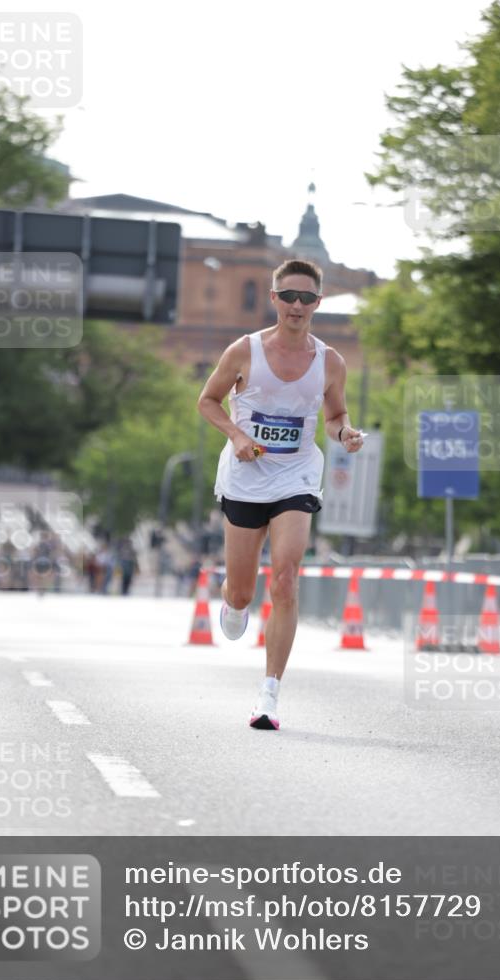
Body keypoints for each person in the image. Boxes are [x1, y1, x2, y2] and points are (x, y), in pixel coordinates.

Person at [197, 259, 364, 730]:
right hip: (246, 478)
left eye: (306, 298)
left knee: (286, 579)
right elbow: (207, 400)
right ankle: (231, 598)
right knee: (246, 591)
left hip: (296, 476)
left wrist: (345, 433)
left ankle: (268, 695)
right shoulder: (244, 351)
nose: (296, 305)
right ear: (273, 299)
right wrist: (236, 435)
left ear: (317, 303)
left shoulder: (330, 361)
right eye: (288, 296)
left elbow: (335, 417)